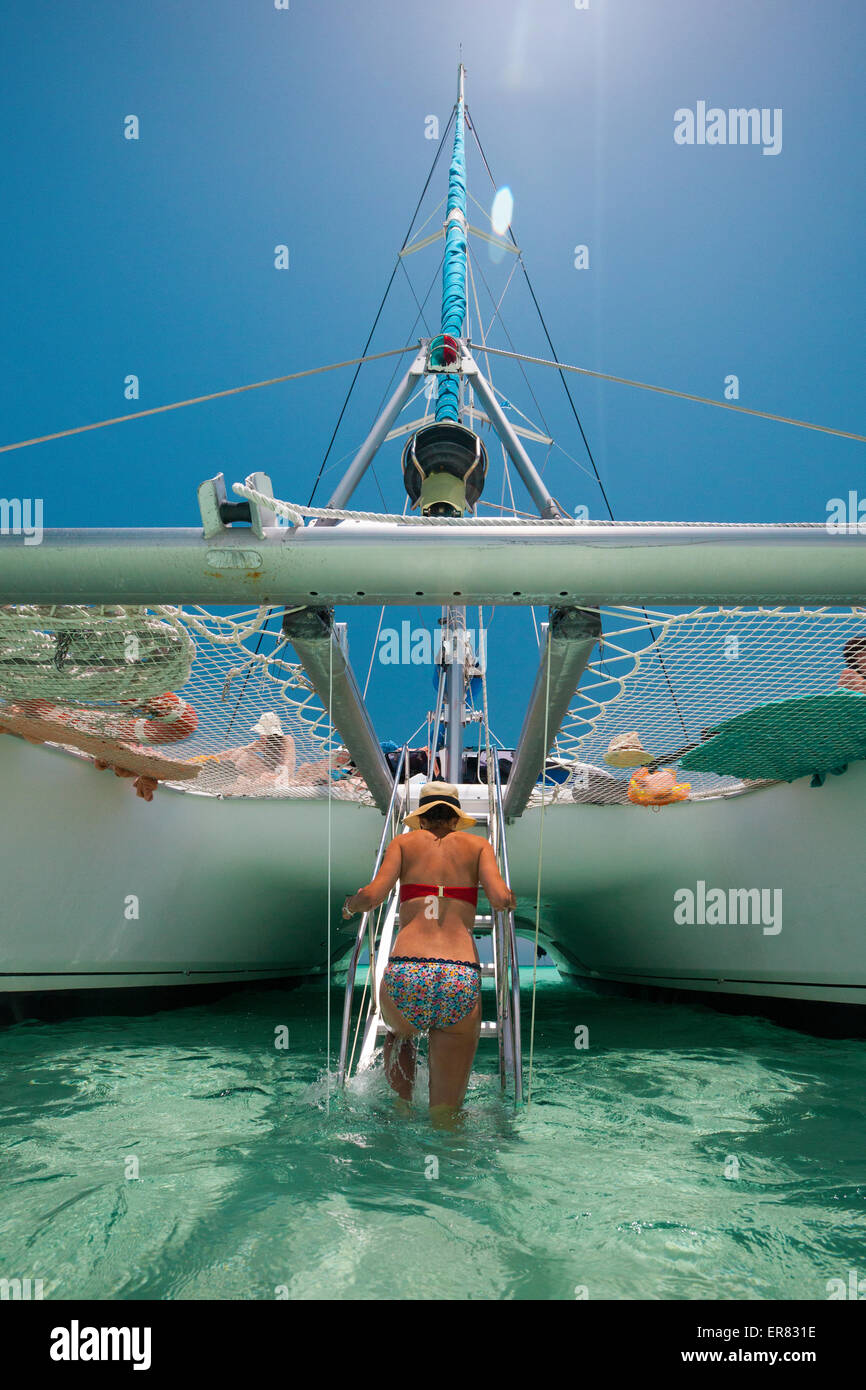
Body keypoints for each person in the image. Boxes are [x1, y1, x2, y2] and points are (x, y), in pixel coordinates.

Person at [342, 782, 516, 1126]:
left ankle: (400, 1112)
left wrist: (349, 907)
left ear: (421, 817)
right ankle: (447, 1156)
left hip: (407, 971)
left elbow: (373, 895)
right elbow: (500, 898)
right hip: (458, 973)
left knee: (400, 1035)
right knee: (446, 1115)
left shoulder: (403, 843)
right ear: (455, 818)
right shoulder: (479, 845)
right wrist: (510, 900)